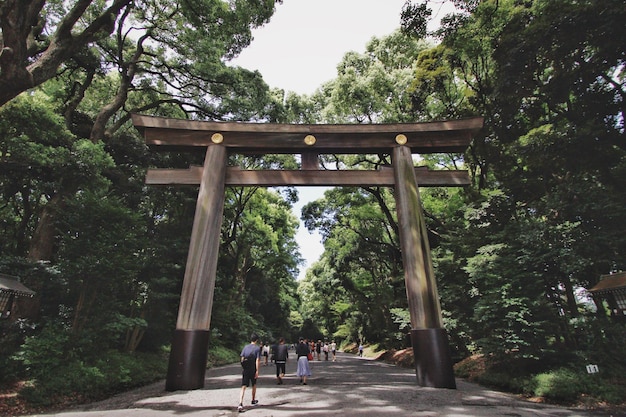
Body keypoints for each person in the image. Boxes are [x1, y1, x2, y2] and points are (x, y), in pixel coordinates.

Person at [238, 333, 261, 412]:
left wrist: (244, 366)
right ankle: (253, 399)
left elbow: (242, 358)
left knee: (243, 386)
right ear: (257, 340)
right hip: (253, 368)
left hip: (246, 369)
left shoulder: (245, 347)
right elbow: (257, 360)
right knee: (254, 384)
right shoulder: (257, 348)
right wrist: (257, 371)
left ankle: (240, 403)